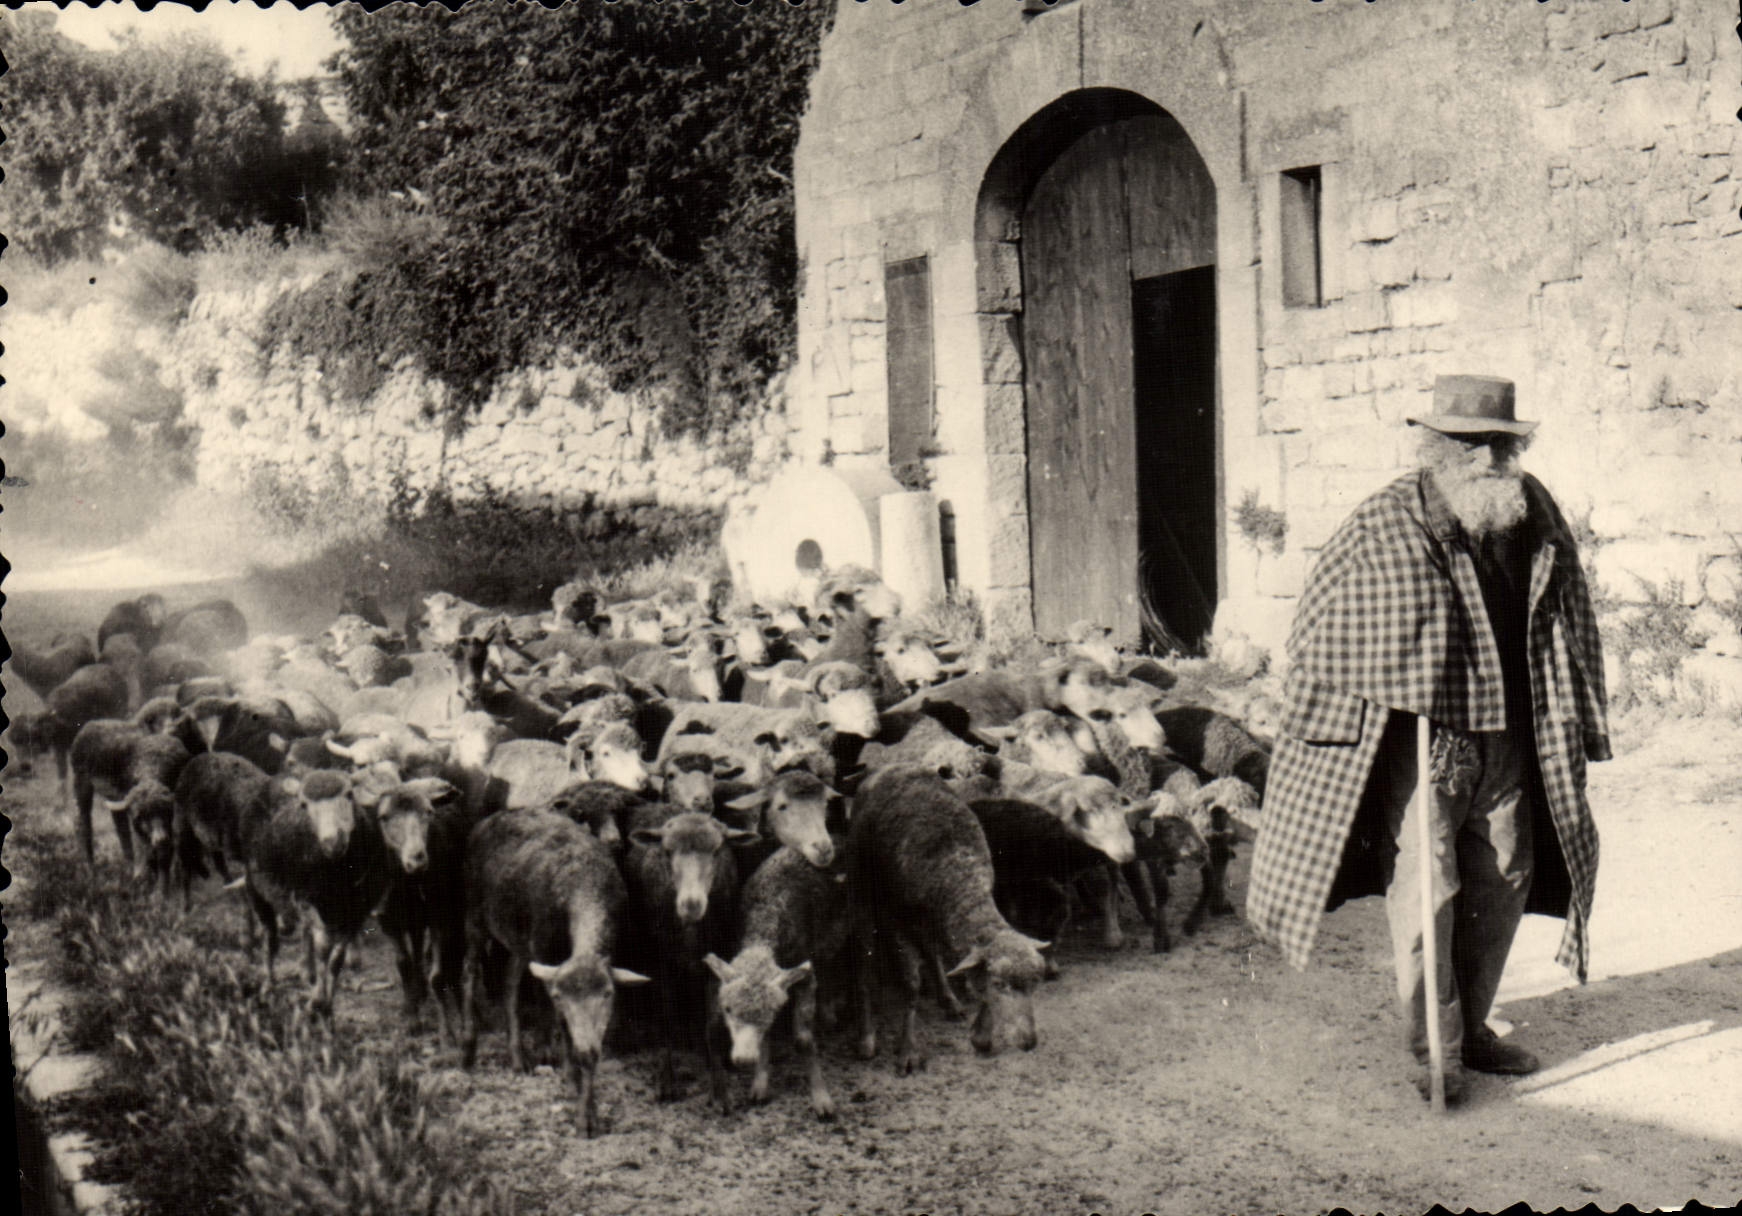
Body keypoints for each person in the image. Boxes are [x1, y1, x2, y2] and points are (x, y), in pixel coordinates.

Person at [1245, 374, 1610, 1105]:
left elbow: (1570, 607)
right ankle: (1431, 1049)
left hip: (1512, 731)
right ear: (1437, 446)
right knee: (1428, 889)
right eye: (1470, 444)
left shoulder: (1533, 509)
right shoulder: (1388, 518)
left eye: (1502, 443)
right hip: (1428, 738)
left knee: (1504, 874)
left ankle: (1471, 1027)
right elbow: (1330, 624)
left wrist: (1579, 711)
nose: (1488, 459)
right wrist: (1408, 660)